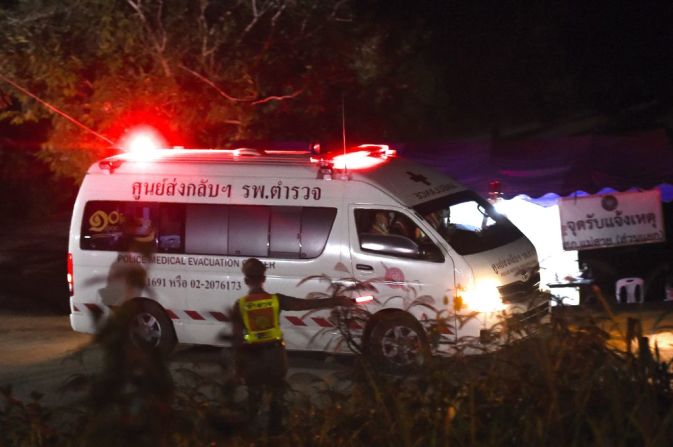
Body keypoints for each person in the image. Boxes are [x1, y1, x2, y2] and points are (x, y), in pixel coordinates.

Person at [230, 258, 352, 435]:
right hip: (275, 357)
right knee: (276, 401)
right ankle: (275, 434)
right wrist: (337, 301)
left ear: (246, 280)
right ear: (264, 278)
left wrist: (238, 370)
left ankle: (253, 436)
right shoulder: (276, 300)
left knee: (253, 401)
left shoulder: (240, 306)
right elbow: (306, 304)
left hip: (253, 359)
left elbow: (236, 341)